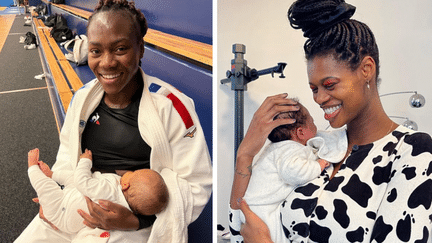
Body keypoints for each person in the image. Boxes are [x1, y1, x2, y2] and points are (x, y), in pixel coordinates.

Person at [232, 0, 432, 242]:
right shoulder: (316, 146)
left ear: (367, 69)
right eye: (314, 88)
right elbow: (240, 223)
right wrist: (245, 154)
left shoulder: (413, 151)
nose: (319, 98)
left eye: (329, 85)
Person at [15, 0, 212, 242]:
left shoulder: (172, 106)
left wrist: (137, 221)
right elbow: (67, 157)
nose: (106, 62)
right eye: (96, 51)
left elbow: (196, 185)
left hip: (130, 223)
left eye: (120, 49)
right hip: (75, 205)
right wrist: (55, 195)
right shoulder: (83, 99)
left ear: (140, 48)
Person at [230, 101, 347, 242]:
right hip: (261, 210)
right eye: (313, 123)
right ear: (301, 132)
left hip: (256, 207)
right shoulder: (290, 149)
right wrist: (318, 165)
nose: (316, 128)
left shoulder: (278, 148)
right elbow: (293, 172)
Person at [27, 148, 169, 242]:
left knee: (46, 188)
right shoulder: (129, 207)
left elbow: (81, 181)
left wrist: (85, 161)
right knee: (71, 182)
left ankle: (33, 168)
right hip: (71, 209)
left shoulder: (110, 191)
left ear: (126, 185)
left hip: (61, 210)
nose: (129, 172)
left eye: (133, 174)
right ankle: (52, 175)